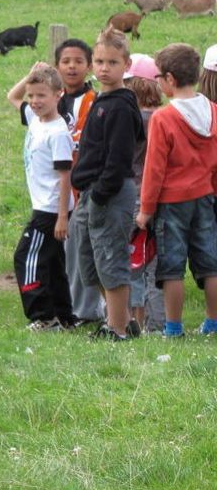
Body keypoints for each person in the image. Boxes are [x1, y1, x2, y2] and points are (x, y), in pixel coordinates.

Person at [134, 43, 217, 338]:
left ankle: (173, 327)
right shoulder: (213, 110)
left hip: (171, 203)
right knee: (210, 263)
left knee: (171, 266)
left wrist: (146, 209)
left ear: (168, 79)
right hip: (205, 197)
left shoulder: (164, 118)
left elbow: (154, 168)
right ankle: (212, 322)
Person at [71, 27, 144, 341]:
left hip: (110, 194)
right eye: (98, 61)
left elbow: (118, 159)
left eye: (112, 62)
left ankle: (116, 330)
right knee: (90, 264)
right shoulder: (101, 100)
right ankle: (125, 319)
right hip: (90, 193)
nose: (104, 68)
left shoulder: (120, 106)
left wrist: (101, 192)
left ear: (126, 65)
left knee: (111, 260)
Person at [5, 63, 76, 331]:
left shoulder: (58, 132)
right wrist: (30, 75)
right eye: (32, 95)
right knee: (53, 262)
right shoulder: (35, 119)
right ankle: (64, 317)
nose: (34, 101)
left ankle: (43, 316)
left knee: (26, 257)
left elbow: (65, 177)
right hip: (46, 207)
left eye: (41, 95)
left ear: (58, 95)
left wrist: (61, 217)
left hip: (49, 210)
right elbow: (13, 97)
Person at [54, 38, 106, 326]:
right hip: (56, 189)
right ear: (56, 66)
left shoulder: (95, 101)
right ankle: (64, 303)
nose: (72, 67)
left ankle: (86, 310)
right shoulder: (49, 98)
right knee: (61, 252)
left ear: (89, 67)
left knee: (81, 251)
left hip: (83, 187)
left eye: (78, 61)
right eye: (65, 61)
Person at [123, 54, 166, 332]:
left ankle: (134, 320)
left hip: (134, 197)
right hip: (162, 198)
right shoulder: (163, 117)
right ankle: (158, 322)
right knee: (156, 265)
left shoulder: (133, 118)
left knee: (134, 262)